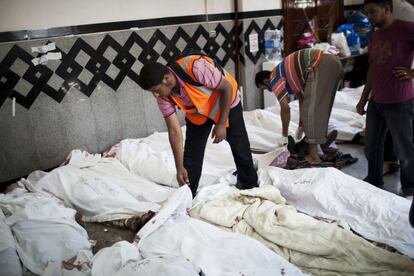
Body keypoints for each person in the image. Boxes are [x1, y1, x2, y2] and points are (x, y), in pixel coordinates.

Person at [138, 54, 258, 197]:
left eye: (156, 90)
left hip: (227, 102)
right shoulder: (162, 97)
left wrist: (221, 123)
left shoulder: (196, 68)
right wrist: (179, 167)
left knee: (239, 146)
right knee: (191, 156)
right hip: (199, 114)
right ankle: (188, 195)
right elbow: (174, 131)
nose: (155, 95)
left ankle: (249, 185)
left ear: (167, 79)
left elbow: (227, 87)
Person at [356, 0, 414, 202]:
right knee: (372, 145)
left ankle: (409, 188)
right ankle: (374, 181)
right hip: (376, 101)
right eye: (367, 13)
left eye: (372, 12)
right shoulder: (376, 34)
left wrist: (412, 73)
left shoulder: (406, 29)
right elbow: (373, 68)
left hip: (399, 100)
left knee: (404, 148)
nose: (369, 17)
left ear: (386, 9)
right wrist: (363, 99)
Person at [255, 48, 344, 165]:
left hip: (320, 64)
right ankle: (321, 142)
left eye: (265, 88)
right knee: (321, 108)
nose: (269, 90)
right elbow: (302, 99)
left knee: (310, 112)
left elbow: (285, 109)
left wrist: (284, 136)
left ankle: (313, 155)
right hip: (334, 62)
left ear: (265, 81)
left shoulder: (274, 78)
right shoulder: (286, 74)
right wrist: (301, 125)